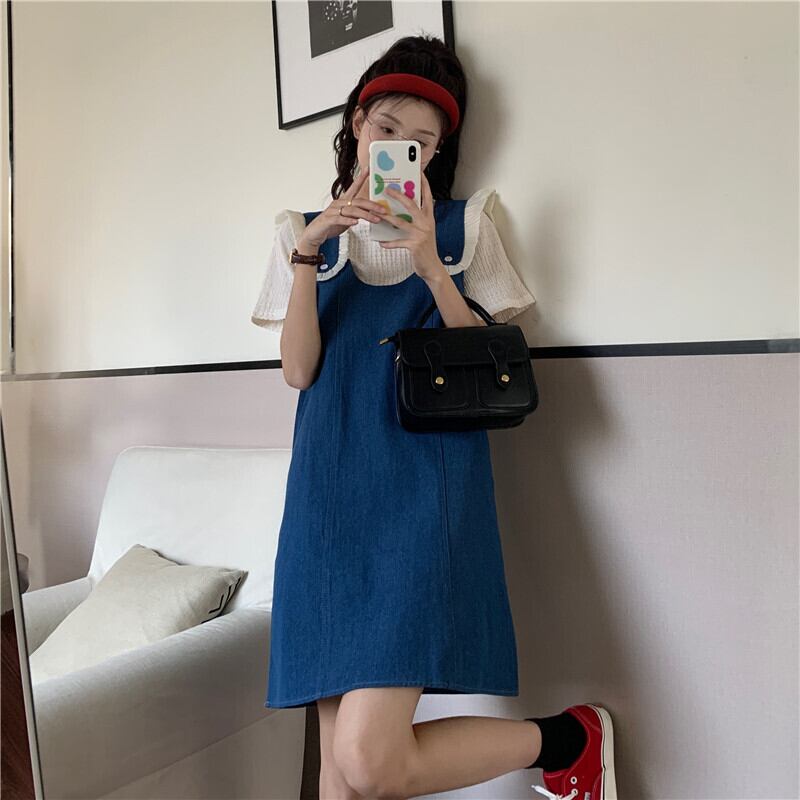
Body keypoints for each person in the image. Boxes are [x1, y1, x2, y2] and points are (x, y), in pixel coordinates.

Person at [251, 34, 617, 800]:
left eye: (421, 142)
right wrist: (308, 255)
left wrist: (430, 267)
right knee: (337, 777)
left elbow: (493, 360)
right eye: (388, 129)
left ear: (438, 152)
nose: (401, 150)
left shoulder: (465, 228)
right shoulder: (299, 233)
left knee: (369, 761)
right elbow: (298, 371)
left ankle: (569, 739)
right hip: (326, 509)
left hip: (425, 499)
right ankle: (566, 743)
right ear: (358, 124)